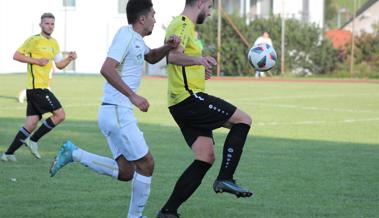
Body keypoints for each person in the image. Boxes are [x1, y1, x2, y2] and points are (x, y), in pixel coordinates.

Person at [49, 1, 180, 218]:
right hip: (118, 111)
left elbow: (151, 56)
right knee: (147, 164)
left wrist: (168, 45)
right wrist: (133, 96)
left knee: (127, 171)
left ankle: (75, 153)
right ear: (142, 18)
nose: (155, 20)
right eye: (153, 15)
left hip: (113, 112)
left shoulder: (136, 40)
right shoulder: (125, 35)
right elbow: (106, 68)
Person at [156, 0, 253, 217]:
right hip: (188, 99)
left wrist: (200, 68)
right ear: (200, 3)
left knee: (205, 156)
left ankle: (168, 212)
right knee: (243, 120)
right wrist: (199, 60)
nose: (209, 13)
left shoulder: (187, 28)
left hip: (182, 102)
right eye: (209, 7)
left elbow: (184, 62)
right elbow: (172, 56)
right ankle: (225, 178)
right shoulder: (181, 25)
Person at [1, 12, 77, 162]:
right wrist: (36, 61)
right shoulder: (33, 40)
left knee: (31, 123)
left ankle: (8, 153)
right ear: (41, 25)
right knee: (60, 115)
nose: (50, 26)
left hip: (41, 88)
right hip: (37, 88)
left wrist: (69, 58)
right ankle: (33, 140)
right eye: (47, 23)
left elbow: (59, 65)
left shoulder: (54, 43)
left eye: (52, 24)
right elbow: (16, 55)